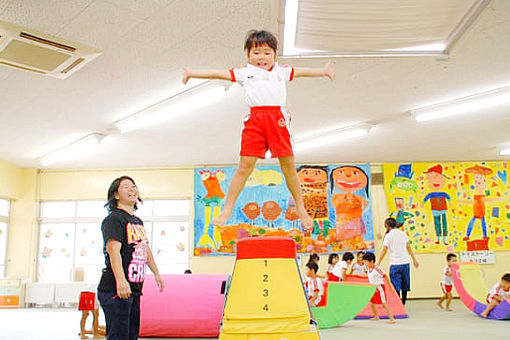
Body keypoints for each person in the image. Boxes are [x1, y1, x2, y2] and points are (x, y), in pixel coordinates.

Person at [183, 29, 334, 230]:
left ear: (274, 55)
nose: (261, 57)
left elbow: (302, 71)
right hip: (255, 119)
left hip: (277, 118)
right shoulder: (245, 72)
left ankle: (301, 207)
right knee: (245, 166)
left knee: (288, 166)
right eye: (256, 53)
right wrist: (193, 73)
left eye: (266, 53)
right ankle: (227, 208)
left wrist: (323, 71)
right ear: (248, 55)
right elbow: (218, 73)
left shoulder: (281, 71)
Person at [97, 176, 165, 340]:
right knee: (119, 336)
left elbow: (144, 248)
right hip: (115, 288)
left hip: (134, 289)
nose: (132, 189)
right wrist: (121, 280)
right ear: (116, 195)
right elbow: (113, 249)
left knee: (131, 335)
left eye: (134, 186)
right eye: (126, 187)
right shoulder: (113, 219)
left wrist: (156, 272)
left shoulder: (137, 221)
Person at [376, 217, 419, 305]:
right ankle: (403, 303)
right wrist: (414, 259)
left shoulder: (388, 236)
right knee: (405, 284)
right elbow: (408, 248)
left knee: (396, 285)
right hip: (405, 263)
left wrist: (378, 262)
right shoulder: (403, 234)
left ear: (387, 225)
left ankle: (398, 304)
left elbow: (384, 250)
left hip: (395, 264)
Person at [363, 252, 396, 324]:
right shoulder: (368, 269)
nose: (365, 263)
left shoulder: (376, 269)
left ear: (371, 261)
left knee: (384, 303)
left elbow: (385, 276)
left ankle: (392, 318)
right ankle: (376, 316)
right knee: (372, 303)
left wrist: (390, 286)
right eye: (364, 261)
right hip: (373, 288)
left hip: (379, 288)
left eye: (366, 261)